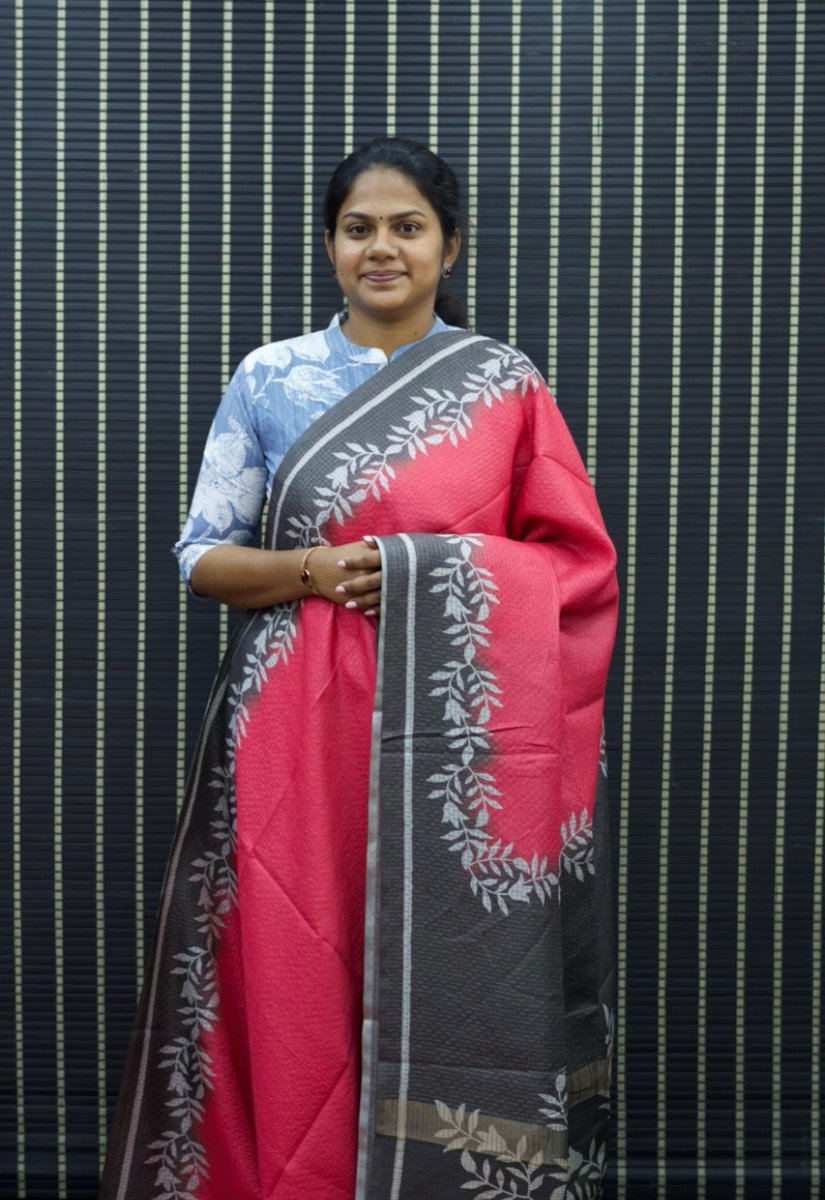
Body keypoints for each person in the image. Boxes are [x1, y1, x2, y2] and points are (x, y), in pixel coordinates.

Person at [100, 137, 619, 1200]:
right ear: (331, 246)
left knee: (449, 961)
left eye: (407, 227)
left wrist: (421, 569)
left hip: (459, 740)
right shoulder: (272, 376)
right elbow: (201, 556)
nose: (381, 247)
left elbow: (578, 564)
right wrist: (315, 569)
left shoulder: (503, 384)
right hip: (296, 724)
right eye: (358, 228)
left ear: (449, 245)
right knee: (295, 956)